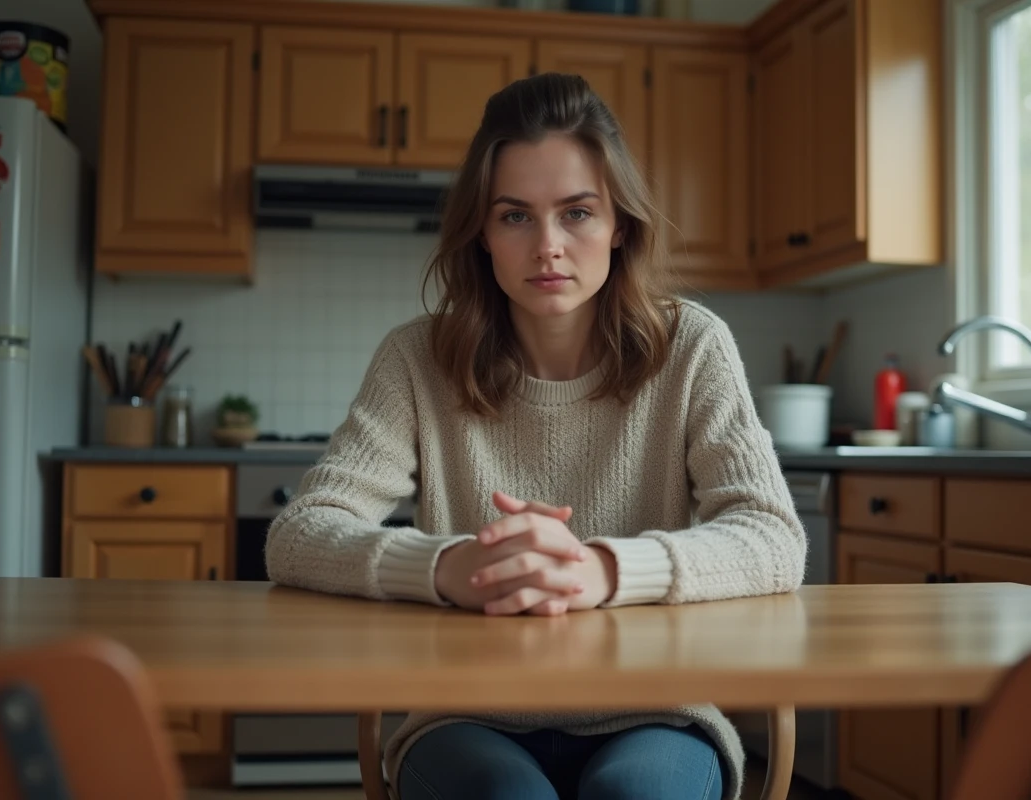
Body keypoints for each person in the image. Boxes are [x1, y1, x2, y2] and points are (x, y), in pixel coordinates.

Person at [266, 72, 807, 800]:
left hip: (655, 709)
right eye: (515, 216)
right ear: (482, 235)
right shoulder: (416, 358)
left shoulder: (693, 347)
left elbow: (773, 535)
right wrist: (448, 568)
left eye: (577, 212)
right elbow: (299, 532)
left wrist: (601, 571)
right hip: (465, 714)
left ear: (620, 225)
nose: (548, 246)